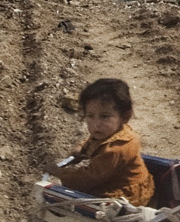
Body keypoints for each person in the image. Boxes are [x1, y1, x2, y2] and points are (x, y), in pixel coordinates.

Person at [52, 78, 153, 207]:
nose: (96, 124)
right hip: (114, 180)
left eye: (105, 116)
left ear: (124, 117)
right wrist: (81, 149)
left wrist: (59, 172)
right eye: (90, 116)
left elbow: (88, 178)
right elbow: (92, 140)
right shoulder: (109, 132)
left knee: (78, 200)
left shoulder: (117, 149)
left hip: (126, 196)